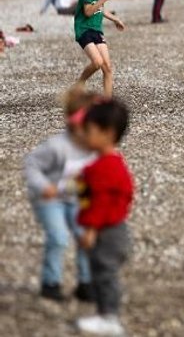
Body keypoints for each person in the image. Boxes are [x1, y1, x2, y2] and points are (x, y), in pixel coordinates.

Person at [24, 86, 98, 303]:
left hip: (76, 199)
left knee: (85, 237)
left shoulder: (93, 148)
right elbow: (31, 165)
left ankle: (85, 283)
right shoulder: (57, 146)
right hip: (49, 199)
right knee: (58, 238)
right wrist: (43, 186)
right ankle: (51, 283)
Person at [76, 99, 133, 336]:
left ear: (107, 133)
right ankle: (108, 308)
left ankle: (109, 317)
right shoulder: (113, 163)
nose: (84, 136)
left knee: (103, 272)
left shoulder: (105, 168)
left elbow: (99, 203)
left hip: (107, 232)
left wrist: (90, 230)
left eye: (89, 132)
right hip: (116, 229)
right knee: (103, 273)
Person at [74, 0, 126, 97]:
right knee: (97, 62)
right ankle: (80, 83)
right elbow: (88, 11)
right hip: (84, 29)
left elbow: (99, 10)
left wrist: (115, 19)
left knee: (107, 67)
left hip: (96, 30)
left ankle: (107, 102)